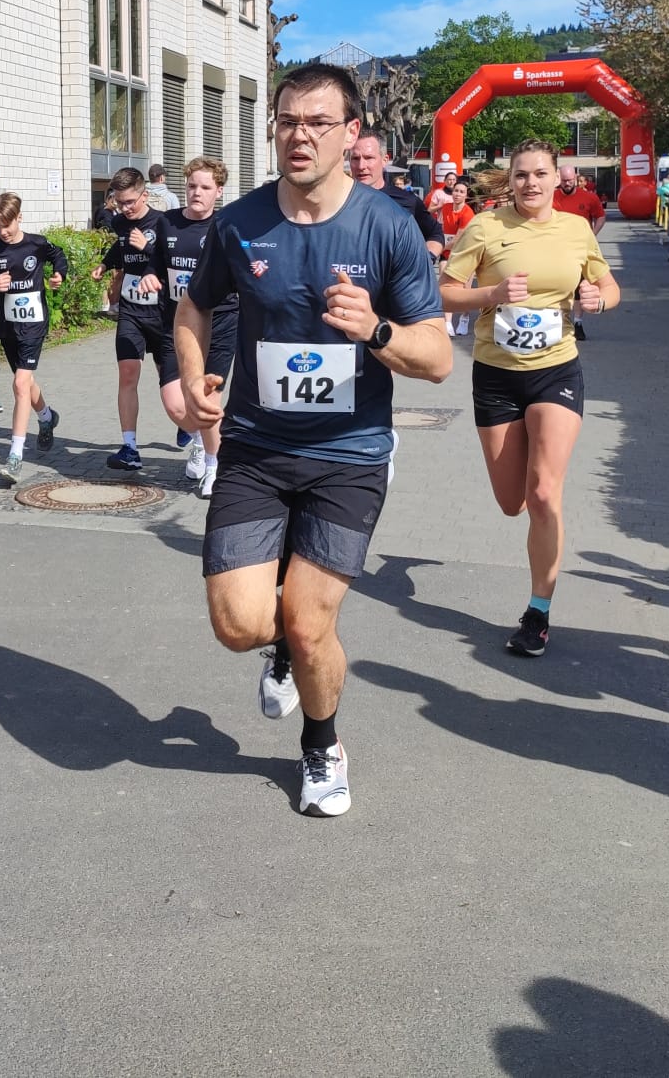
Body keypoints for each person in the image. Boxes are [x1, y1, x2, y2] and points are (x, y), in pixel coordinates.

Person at [177, 63, 451, 817]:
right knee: (239, 625)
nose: (299, 136)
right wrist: (196, 379)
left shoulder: (387, 226)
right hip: (255, 449)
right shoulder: (239, 223)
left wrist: (378, 330)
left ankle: (322, 745)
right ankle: (284, 651)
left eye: (318, 123)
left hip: (348, 456)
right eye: (288, 121)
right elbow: (194, 310)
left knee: (308, 619)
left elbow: (436, 357)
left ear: (351, 132)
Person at [439, 138, 619, 660]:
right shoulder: (485, 227)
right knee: (511, 502)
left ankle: (538, 612)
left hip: (556, 370)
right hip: (495, 375)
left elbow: (609, 288)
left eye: (541, 173)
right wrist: (491, 295)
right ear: (511, 180)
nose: (531, 183)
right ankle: (535, 528)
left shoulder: (576, 229)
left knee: (542, 494)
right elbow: (444, 291)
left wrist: (597, 300)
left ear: (557, 177)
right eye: (521, 174)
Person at [91, 166, 183, 470]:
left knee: (168, 381)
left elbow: (175, 260)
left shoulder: (163, 222)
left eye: (130, 202)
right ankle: (129, 448)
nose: (125, 209)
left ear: (144, 195)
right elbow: (120, 249)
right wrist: (105, 265)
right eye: (120, 203)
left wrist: (149, 247)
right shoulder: (119, 222)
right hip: (131, 312)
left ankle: (188, 424)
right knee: (128, 374)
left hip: (161, 314)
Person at [0, 194, 67, 485]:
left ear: (19, 218)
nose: (3, 231)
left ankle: (15, 457)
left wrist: (59, 275)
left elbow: (58, 255)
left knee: (18, 384)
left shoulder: (36, 244)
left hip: (34, 323)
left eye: (7, 225)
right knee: (25, 383)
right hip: (8, 325)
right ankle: (47, 417)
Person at [162, 157, 238, 496]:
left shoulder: (227, 226)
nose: (197, 192)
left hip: (222, 318)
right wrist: (148, 276)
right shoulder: (167, 223)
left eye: (205, 187)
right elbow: (153, 265)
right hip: (178, 323)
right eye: (192, 185)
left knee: (207, 397)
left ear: (218, 192)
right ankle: (197, 437)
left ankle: (213, 465)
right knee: (176, 404)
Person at [347, 132, 445, 261]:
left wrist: (425, 259)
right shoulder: (336, 200)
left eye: (369, 158)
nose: (361, 166)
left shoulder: (407, 200)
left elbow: (435, 233)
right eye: (355, 158)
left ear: (384, 160)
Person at [553, 163, 606, 341]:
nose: (567, 183)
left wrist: (592, 235)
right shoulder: (551, 197)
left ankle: (577, 322)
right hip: (557, 249)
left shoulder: (589, 197)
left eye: (570, 180)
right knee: (558, 286)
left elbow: (600, 217)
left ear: (575, 178)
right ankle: (558, 321)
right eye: (564, 180)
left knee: (578, 289)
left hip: (580, 251)